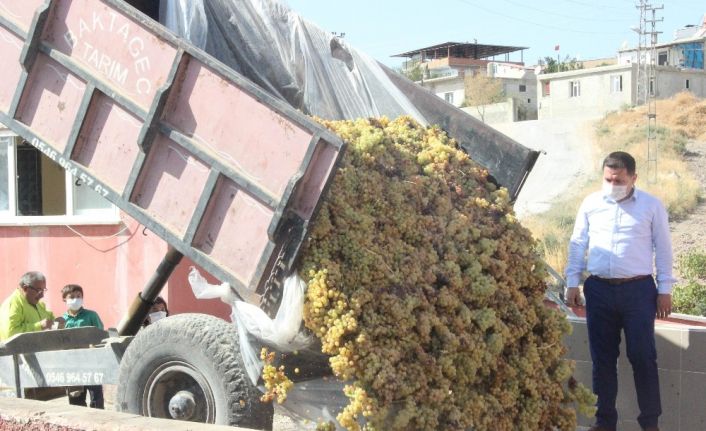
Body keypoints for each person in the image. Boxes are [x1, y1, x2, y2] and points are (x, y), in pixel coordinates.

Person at [565, 151, 674, 431]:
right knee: (602, 360)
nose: (613, 184)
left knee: (642, 357)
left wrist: (665, 289)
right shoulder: (591, 203)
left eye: (619, 180)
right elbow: (578, 243)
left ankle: (650, 423)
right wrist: (572, 282)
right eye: (608, 179)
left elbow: (663, 249)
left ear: (633, 178)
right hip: (599, 290)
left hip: (638, 292)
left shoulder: (651, 206)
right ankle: (604, 422)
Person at [61, 284, 105, 409]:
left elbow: (100, 335)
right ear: (64, 299)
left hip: (91, 362)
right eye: (72, 296)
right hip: (72, 364)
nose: (76, 299)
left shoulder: (91, 315)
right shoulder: (61, 320)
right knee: (76, 399)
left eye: (79, 296)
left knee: (96, 397)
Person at [0, 271, 64, 341]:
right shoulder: (12, 304)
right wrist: (39, 326)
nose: (42, 295)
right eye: (39, 290)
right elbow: (10, 334)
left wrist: (56, 322)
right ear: (25, 288)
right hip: (17, 351)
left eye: (43, 290)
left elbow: (48, 320)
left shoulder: (37, 303)